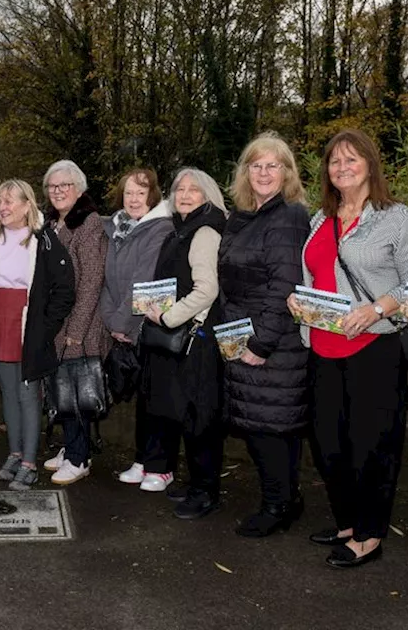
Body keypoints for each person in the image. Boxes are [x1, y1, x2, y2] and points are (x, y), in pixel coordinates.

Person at [292, 129, 408, 567]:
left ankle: (369, 534)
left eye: (351, 160)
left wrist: (380, 307)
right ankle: (347, 521)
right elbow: (315, 277)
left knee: (371, 445)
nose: (341, 168)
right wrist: (299, 300)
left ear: (370, 164)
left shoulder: (395, 217)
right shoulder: (319, 219)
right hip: (322, 347)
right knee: (329, 443)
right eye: (334, 162)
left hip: (373, 349)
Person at [217, 132, 311, 538]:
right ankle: (287, 498)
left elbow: (285, 285)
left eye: (273, 165)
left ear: (287, 172)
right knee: (269, 424)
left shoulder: (288, 215)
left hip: (270, 342)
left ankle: (276, 505)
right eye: (256, 165)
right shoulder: (244, 216)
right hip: (242, 332)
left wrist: (261, 343)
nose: (264, 172)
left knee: (267, 427)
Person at [140, 168, 229, 519]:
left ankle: (206, 492)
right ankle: (197, 484)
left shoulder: (204, 231)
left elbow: (207, 289)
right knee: (189, 415)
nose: (186, 194)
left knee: (200, 418)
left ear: (208, 196)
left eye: (194, 190)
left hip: (198, 339)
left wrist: (167, 318)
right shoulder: (183, 228)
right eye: (180, 189)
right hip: (187, 338)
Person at [0, 179, 75, 491]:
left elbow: (64, 289)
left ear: (26, 205)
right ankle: (14, 453)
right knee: (8, 393)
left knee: (27, 394)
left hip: (24, 324)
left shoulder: (43, 239)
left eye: (10, 201)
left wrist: (44, 329)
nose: (3, 208)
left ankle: (30, 463)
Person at [99, 168, 175, 491]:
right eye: (128, 193)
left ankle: (161, 466)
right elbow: (107, 280)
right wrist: (110, 319)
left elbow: (142, 282)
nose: (133, 199)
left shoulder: (159, 229)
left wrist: (120, 323)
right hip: (123, 324)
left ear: (153, 197)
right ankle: (143, 460)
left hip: (150, 325)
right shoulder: (116, 229)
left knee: (158, 398)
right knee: (143, 400)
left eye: (140, 193)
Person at [39, 160, 110, 485]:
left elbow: (92, 281)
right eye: (53, 186)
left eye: (64, 186)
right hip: (58, 323)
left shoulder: (90, 225)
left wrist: (77, 332)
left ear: (79, 189)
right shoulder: (53, 223)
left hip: (79, 325)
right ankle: (71, 448)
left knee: (77, 390)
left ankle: (80, 458)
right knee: (61, 388)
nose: (58, 191)